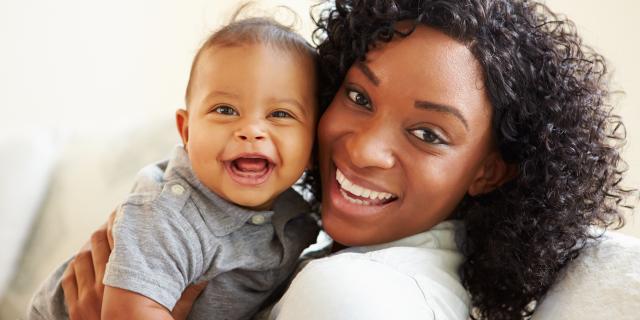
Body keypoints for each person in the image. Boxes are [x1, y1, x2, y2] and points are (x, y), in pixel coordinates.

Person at [44, 0, 635, 319]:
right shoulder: (297, 221)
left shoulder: (348, 295)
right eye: (357, 97)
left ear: (491, 168)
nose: (362, 149)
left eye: (428, 133)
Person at [28, 17, 321, 320]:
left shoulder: (298, 217)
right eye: (225, 110)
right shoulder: (167, 217)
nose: (251, 130)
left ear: (313, 147)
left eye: (280, 114)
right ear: (187, 131)